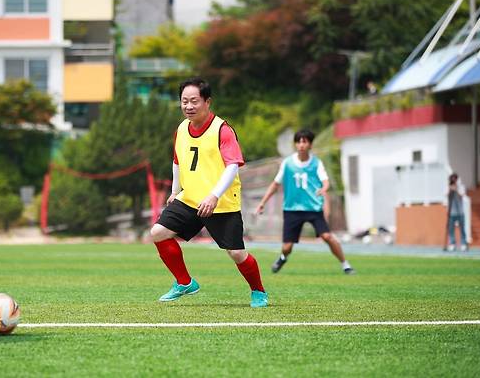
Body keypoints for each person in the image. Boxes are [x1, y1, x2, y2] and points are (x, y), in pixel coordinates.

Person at [150, 78, 268, 308]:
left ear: (207, 102)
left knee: (236, 253)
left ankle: (258, 291)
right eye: (184, 101)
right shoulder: (182, 129)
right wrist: (175, 191)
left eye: (194, 101)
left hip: (221, 202)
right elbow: (177, 160)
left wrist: (214, 195)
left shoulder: (222, 130)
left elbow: (233, 165)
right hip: (191, 198)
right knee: (158, 233)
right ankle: (184, 283)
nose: (188, 106)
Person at [255, 129, 355, 275]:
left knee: (327, 236)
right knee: (287, 247)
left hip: (313, 208)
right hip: (292, 209)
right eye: (299, 141)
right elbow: (275, 184)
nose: (301, 144)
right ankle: (283, 257)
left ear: (310, 145)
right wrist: (263, 202)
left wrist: (324, 188)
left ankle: (346, 265)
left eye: (305, 141)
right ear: (296, 144)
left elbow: (325, 181)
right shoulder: (288, 163)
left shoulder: (316, 163)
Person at [446, 173, 467, 252]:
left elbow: (461, 196)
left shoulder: (461, 186)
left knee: (462, 229)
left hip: (460, 212)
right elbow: (446, 196)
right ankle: (452, 244)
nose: (453, 180)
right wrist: (450, 190)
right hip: (451, 212)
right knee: (451, 229)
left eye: (454, 179)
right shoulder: (448, 186)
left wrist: (456, 189)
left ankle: (463, 244)